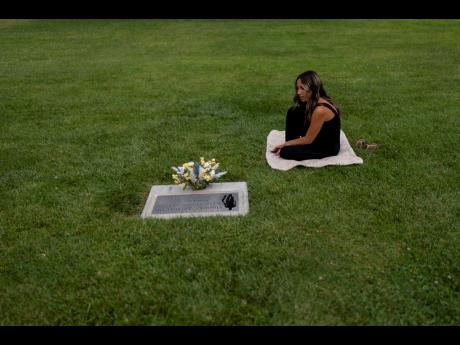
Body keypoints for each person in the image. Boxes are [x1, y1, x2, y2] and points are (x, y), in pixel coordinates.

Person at [271, 70, 341, 160]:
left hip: (326, 147)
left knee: (286, 152)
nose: (298, 92)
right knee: (293, 111)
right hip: (318, 136)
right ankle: (293, 142)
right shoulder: (316, 100)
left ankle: (291, 144)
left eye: (302, 88)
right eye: (297, 88)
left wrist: (285, 144)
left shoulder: (320, 110)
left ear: (312, 89)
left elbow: (308, 140)